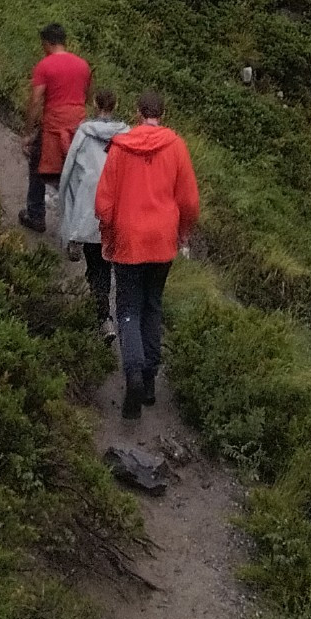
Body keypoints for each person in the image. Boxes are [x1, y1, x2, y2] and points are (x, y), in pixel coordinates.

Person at [93, 90, 200, 419]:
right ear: (162, 114)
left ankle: (134, 374)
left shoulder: (121, 147)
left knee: (127, 306)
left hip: (128, 239)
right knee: (153, 304)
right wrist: (182, 233)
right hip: (163, 241)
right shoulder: (176, 146)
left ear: (138, 112)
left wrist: (107, 234)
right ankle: (150, 380)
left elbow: (104, 203)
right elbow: (190, 201)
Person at [56, 88, 128, 333]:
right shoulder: (126, 136)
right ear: (116, 104)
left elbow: (70, 171)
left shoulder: (84, 133)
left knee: (95, 261)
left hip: (89, 206)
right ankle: (104, 316)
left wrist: (66, 210)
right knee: (104, 263)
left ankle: (101, 313)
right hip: (115, 209)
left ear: (94, 104)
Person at [21, 23, 92, 232]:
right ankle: (77, 225)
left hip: (54, 123)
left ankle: (36, 215)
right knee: (74, 173)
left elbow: (35, 100)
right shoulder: (83, 65)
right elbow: (87, 96)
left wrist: (28, 132)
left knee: (37, 164)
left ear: (47, 42)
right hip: (79, 126)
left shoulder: (45, 65)